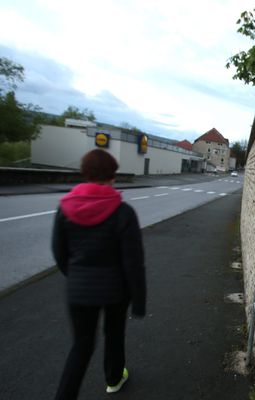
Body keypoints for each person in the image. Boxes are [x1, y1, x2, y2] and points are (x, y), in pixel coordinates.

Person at [52, 149, 146, 399]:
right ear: (112, 176)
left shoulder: (65, 208)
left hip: (79, 291)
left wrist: (76, 277)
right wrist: (139, 301)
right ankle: (114, 379)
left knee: (81, 347)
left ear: (85, 174)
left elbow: (59, 253)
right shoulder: (123, 213)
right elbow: (133, 262)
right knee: (114, 335)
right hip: (115, 291)